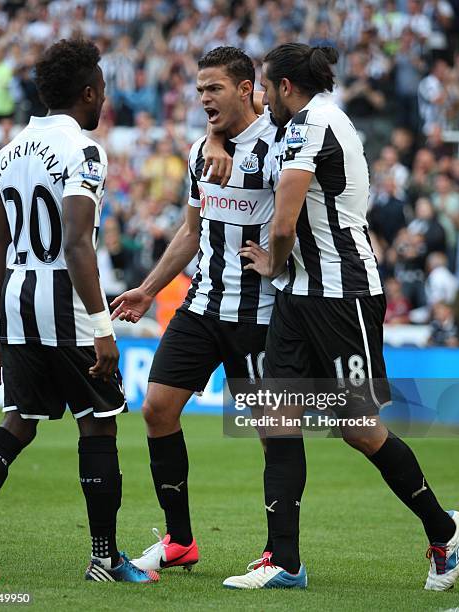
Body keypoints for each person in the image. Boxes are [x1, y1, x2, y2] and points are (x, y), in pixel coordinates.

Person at [222, 42, 459, 591]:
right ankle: (284, 562)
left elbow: (284, 224)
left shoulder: (314, 124)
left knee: (358, 428)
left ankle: (442, 530)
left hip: (343, 294)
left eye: (266, 87)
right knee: (274, 416)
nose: (261, 97)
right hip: (300, 295)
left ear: (286, 86)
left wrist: (272, 261)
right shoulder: (309, 122)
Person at [0, 39, 158, 585]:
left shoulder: (7, 153)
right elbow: (76, 244)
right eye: (102, 90)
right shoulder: (84, 151)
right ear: (89, 92)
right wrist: (103, 330)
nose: (105, 100)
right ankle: (104, 559)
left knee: (17, 423)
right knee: (97, 425)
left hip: (18, 300)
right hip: (64, 302)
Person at [110, 46, 284, 572]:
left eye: (214, 88)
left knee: (270, 428)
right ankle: (180, 540)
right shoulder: (197, 152)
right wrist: (147, 288)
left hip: (260, 312)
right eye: (200, 89)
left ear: (246, 88)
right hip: (202, 303)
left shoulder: (280, 146)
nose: (204, 97)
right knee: (156, 408)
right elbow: (192, 230)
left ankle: (280, 552)